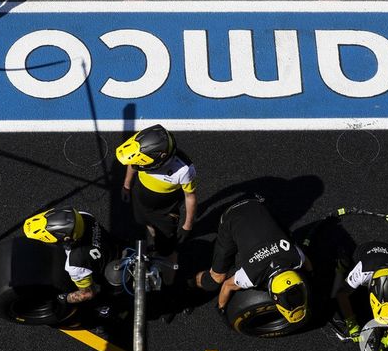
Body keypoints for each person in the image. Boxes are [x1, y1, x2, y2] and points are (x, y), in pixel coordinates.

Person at [194, 196, 312, 325]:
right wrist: (221, 308)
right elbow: (227, 286)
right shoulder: (250, 276)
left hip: (257, 205)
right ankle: (191, 281)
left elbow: (307, 263)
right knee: (216, 279)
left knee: (287, 236)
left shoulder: (295, 256)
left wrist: (311, 274)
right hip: (232, 216)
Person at [116, 125, 197, 259]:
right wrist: (127, 185)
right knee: (146, 223)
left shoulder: (184, 169)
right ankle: (155, 236)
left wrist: (187, 225)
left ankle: (165, 260)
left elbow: (190, 197)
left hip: (165, 212)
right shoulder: (143, 155)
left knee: (166, 249)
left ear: (161, 158)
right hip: (141, 201)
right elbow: (133, 164)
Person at [335, 240, 388, 351]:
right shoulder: (362, 271)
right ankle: (343, 264)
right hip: (365, 252)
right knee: (346, 266)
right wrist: (351, 324)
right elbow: (341, 294)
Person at [23, 207, 109, 305]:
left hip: (109, 274)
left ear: (66, 239)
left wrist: (65, 298)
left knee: (99, 300)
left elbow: (88, 294)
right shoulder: (84, 216)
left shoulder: (74, 264)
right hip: (112, 246)